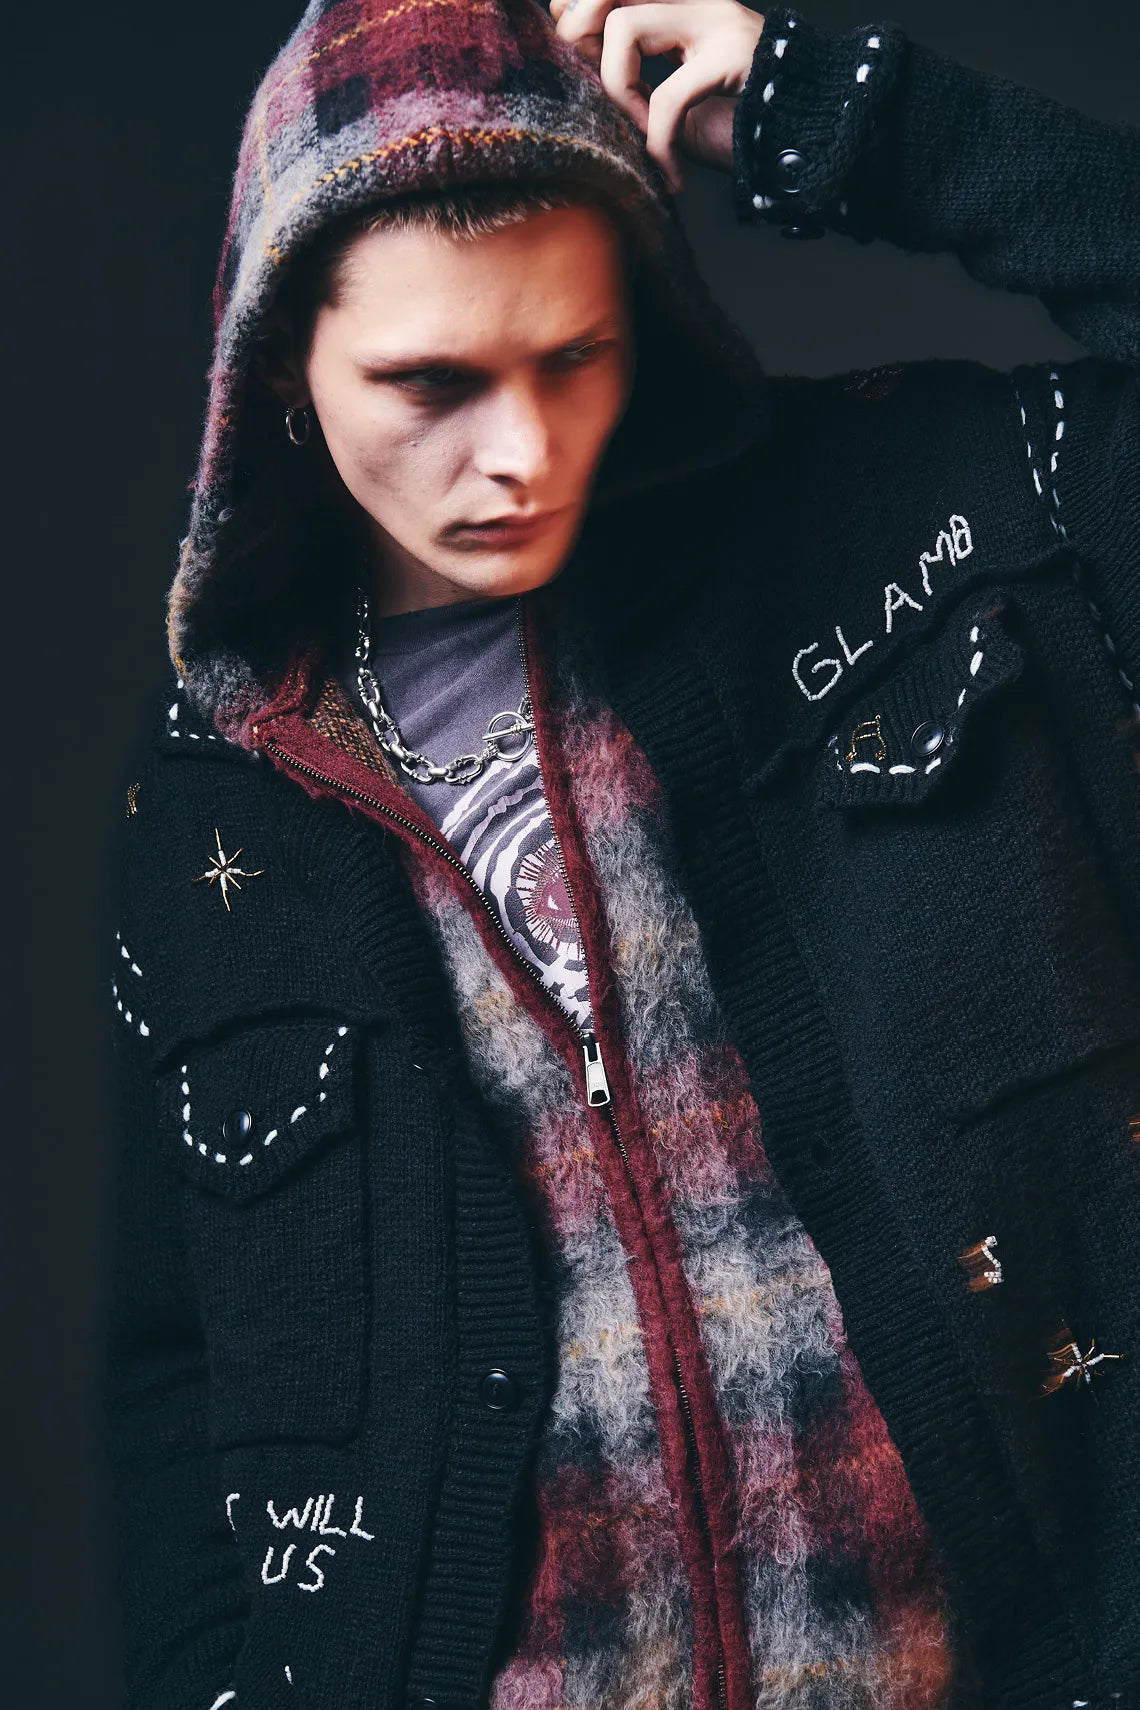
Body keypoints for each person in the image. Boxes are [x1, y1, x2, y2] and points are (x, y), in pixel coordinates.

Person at [102, 0, 1140, 1704]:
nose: (519, 454)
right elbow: (172, 1376)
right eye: (431, 382)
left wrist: (861, 121)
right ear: (278, 361)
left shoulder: (918, 528)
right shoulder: (219, 790)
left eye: (572, 357)